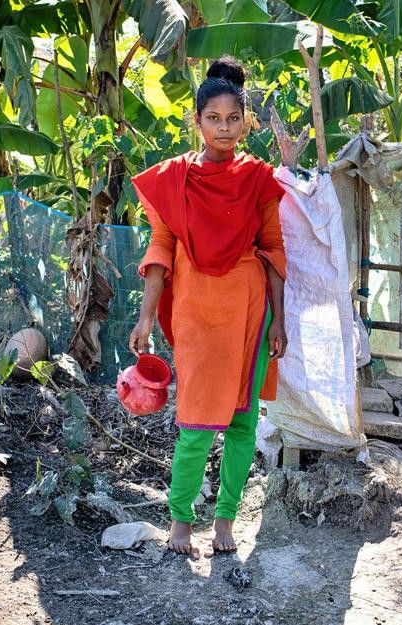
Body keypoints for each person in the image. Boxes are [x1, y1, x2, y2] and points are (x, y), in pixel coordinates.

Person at [128, 57, 288, 559]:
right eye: (213, 118)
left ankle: (225, 522)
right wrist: (147, 315)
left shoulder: (259, 178)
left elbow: (274, 249)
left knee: (242, 422)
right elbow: (159, 249)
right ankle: (180, 524)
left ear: (245, 121)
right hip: (196, 311)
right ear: (196, 121)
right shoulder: (172, 179)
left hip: (248, 311)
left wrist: (279, 320)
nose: (224, 128)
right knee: (195, 421)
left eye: (232, 118)